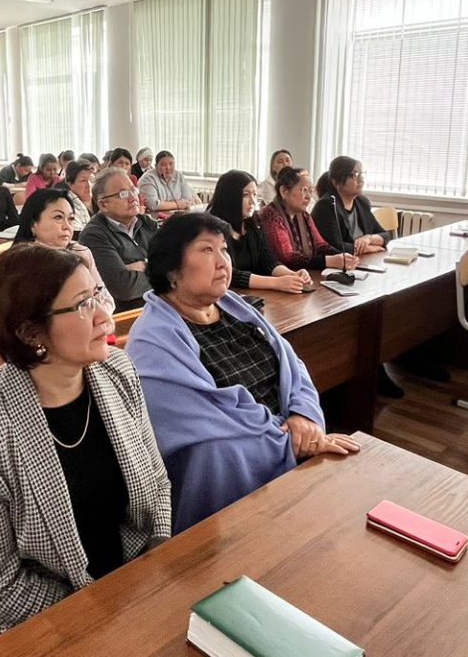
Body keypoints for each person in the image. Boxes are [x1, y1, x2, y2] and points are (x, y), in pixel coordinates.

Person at [0, 245, 171, 647]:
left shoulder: (117, 371)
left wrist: (158, 555)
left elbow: (157, 483)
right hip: (38, 624)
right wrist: (103, 609)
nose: (105, 316)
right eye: (83, 305)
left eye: (97, 295)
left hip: (132, 584)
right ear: (31, 333)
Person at [126, 214, 360, 531]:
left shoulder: (235, 306)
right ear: (171, 269)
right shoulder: (151, 339)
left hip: (287, 436)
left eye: (224, 249)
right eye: (207, 250)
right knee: (217, 453)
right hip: (238, 462)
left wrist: (303, 415)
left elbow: (293, 366)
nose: (223, 262)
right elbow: (208, 425)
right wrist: (291, 440)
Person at [14, 187, 116, 314]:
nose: (67, 226)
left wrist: (93, 317)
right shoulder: (21, 262)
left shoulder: (81, 252)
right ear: (33, 224)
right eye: (58, 217)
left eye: (71, 219)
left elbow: (106, 300)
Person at [207, 170, 310, 293]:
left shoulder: (251, 223)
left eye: (255, 195)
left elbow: (268, 261)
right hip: (224, 295)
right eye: (246, 195)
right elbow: (229, 273)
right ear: (230, 197)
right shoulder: (213, 229)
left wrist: (293, 275)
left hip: (253, 293)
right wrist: (276, 283)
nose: (253, 201)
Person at [79, 167, 160, 311]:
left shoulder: (147, 223)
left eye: (133, 190)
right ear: (104, 204)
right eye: (123, 194)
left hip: (160, 305)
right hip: (127, 314)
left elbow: (177, 265)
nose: (132, 198)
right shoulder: (94, 235)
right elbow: (124, 288)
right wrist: (162, 273)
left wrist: (141, 266)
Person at [258, 166, 355, 272]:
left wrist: (342, 256)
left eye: (310, 191)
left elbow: (320, 246)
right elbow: (287, 258)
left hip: (304, 273)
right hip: (277, 277)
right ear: (284, 191)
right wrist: (329, 261)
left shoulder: (304, 215)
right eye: (304, 190)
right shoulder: (270, 215)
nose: (308, 197)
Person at [312, 156, 389, 257]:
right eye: (354, 175)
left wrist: (369, 238)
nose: (361, 180)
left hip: (362, 260)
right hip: (337, 264)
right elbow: (334, 247)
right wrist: (370, 248)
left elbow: (385, 235)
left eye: (361, 174)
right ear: (336, 182)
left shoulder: (362, 202)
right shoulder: (326, 206)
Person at [137, 150, 197, 216]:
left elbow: (187, 200)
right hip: (155, 217)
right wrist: (177, 204)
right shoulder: (147, 178)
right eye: (163, 165)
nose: (168, 167)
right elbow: (153, 205)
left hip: (179, 215)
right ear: (156, 166)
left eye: (171, 164)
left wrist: (163, 204)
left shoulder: (179, 176)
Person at [64, 159, 96, 232]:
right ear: (70, 184)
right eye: (83, 180)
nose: (88, 185)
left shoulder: (100, 201)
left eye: (91, 180)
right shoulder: (67, 206)